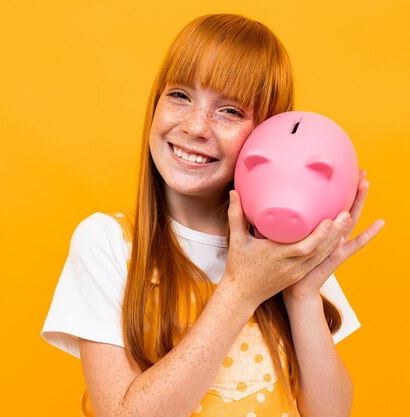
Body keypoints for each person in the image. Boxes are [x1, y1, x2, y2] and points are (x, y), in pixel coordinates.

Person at [41, 13, 384, 417]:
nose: (196, 127)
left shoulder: (285, 250)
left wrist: (302, 292)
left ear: (269, 133)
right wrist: (242, 290)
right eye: (180, 96)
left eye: (230, 112)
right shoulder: (108, 243)